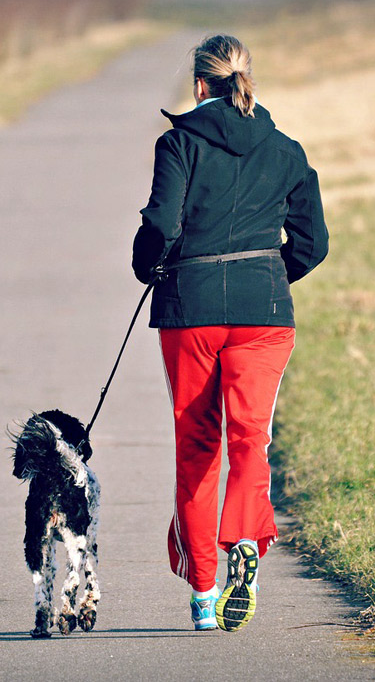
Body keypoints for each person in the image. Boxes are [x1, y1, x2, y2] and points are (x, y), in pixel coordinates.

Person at [132, 34, 328, 632]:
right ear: (247, 80)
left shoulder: (178, 144)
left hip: (189, 313)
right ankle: (242, 537)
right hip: (264, 313)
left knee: (197, 449)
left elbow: (161, 226)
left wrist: (149, 267)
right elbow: (313, 243)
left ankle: (203, 595)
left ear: (199, 85)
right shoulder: (288, 150)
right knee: (250, 439)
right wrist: (268, 274)